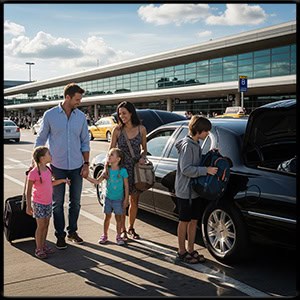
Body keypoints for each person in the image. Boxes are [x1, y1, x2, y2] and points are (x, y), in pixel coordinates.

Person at [34, 82, 90, 249]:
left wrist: (86, 164)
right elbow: (41, 139)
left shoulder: (80, 117)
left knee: (76, 202)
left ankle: (72, 231)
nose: (79, 102)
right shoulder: (50, 115)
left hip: (76, 166)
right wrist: (36, 163)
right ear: (67, 97)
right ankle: (60, 235)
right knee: (57, 203)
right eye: (77, 99)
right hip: (56, 166)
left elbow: (85, 142)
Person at [175, 115, 218, 264]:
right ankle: (181, 251)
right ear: (199, 131)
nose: (207, 134)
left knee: (193, 221)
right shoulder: (188, 146)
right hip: (184, 191)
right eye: (206, 131)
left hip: (194, 191)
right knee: (184, 221)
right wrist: (206, 170)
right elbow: (186, 169)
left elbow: (196, 163)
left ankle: (191, 249)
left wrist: (209, 155)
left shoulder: (195, 144)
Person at [106, 101, 147, 240]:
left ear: (131, 113)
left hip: (135, 170)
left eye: (124, 113)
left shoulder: (141, 129)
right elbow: (111, 150)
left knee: (134, 201)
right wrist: (108, 168)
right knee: (122, 202)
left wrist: (142, 157)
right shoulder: (117, 130)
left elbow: (144, 149)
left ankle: (131, 228)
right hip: (120, 170)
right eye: (120, 114)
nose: (122, 116)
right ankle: (122, 229)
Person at [26, 146, 71, 259]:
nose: (51, 156)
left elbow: (50, 183)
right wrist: (28, 205)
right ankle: (39, 249)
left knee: (46, 225)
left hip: (48, 202)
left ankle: (43, 245)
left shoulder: (48, 170)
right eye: (49, 154)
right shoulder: (34, 172)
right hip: (38, 203)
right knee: (40, 226)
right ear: (42, 158)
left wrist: (62, 181)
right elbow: (28, 190)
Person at [85, 148, 129, 245]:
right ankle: (104, 235)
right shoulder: (106, 171)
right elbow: (97, 181)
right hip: (108, 198)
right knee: (107, 217)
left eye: (112, 155)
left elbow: (126, 186)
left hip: (118, 199)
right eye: (108, 155)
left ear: (118, 159)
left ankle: (118, 235)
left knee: (118, 218)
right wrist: (86, 177)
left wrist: (126, 199)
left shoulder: (122, 171)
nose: (109, 156)